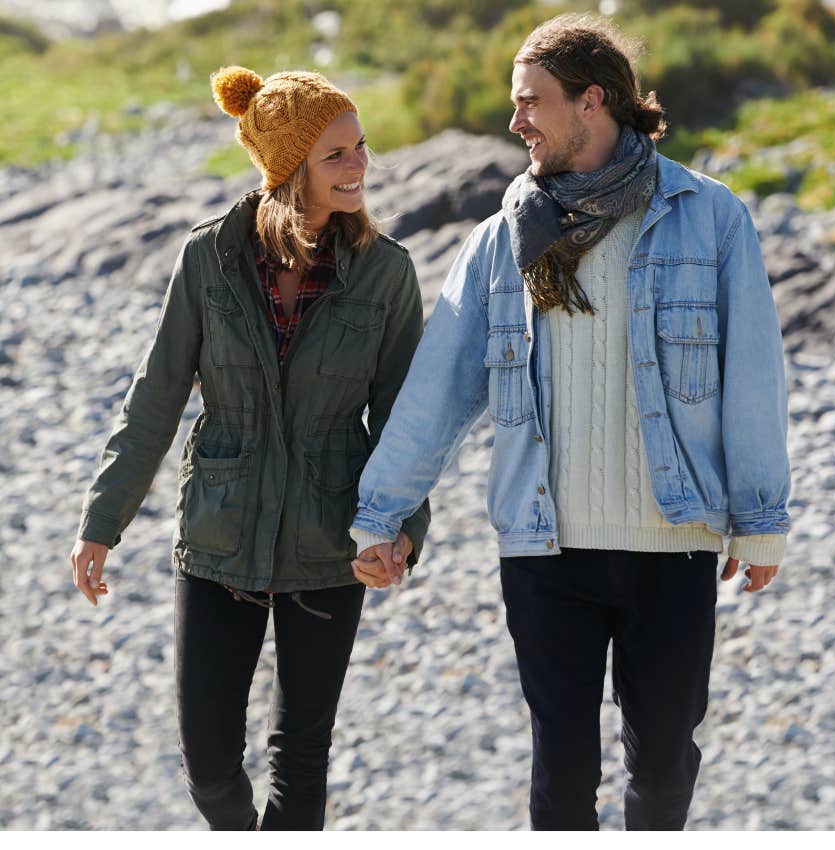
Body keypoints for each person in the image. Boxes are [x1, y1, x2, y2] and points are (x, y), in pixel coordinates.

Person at [349, 14, 790, 831]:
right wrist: (381, 516)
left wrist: (759, 521)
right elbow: (439, 389)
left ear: (592, 101)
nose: (515, 122)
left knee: (663, 764)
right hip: (546, 548)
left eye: (530, 102)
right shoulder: (500, 239)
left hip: (674, 539)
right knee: (561, 770)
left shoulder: (710, 217)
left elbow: (754, 376)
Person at [69, 66, 428, 830]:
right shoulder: (209, 260)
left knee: (301, 760)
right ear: (289, 166)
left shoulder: (387, 274)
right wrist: (102, 521)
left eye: (360, 146)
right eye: (336, 154)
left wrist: (401, 535)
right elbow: (156, 396)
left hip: (332, 542)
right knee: (207, 763)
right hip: (219, 537)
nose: (359, 165)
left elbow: (407, 427)